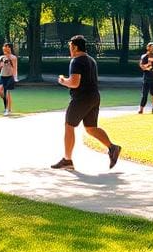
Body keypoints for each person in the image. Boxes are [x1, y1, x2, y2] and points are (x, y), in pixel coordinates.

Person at [51, 35, 121, 171]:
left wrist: (62, 80)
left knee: (69, 125)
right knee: (90, 128)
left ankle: (67, 160)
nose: (69, 49)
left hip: (81, 99)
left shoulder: (76, 61)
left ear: (75, 47)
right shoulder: (91, 60)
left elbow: (74, 83)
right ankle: (112, 148)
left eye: (70, 46)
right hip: (94, 97)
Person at [138, 42, 153, 114]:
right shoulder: (144, 56)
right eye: (151, 47)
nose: (152, 48)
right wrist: (149, 66)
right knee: (144, 94)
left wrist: (149, 67)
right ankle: (141, 109)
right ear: (147, 48)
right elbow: (142, 67)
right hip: (146, 78)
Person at [0, 42, 18, 116]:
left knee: (6, 92)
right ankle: (8, 105)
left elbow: (15, 68)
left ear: (9, 48)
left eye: (6, 46)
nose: (4, 48)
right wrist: (1, 66)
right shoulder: (1, 57)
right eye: (4, 46)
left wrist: (15, 77)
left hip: (9, 76)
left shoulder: (13, 57)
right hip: (2, 76)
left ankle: (7, 109)